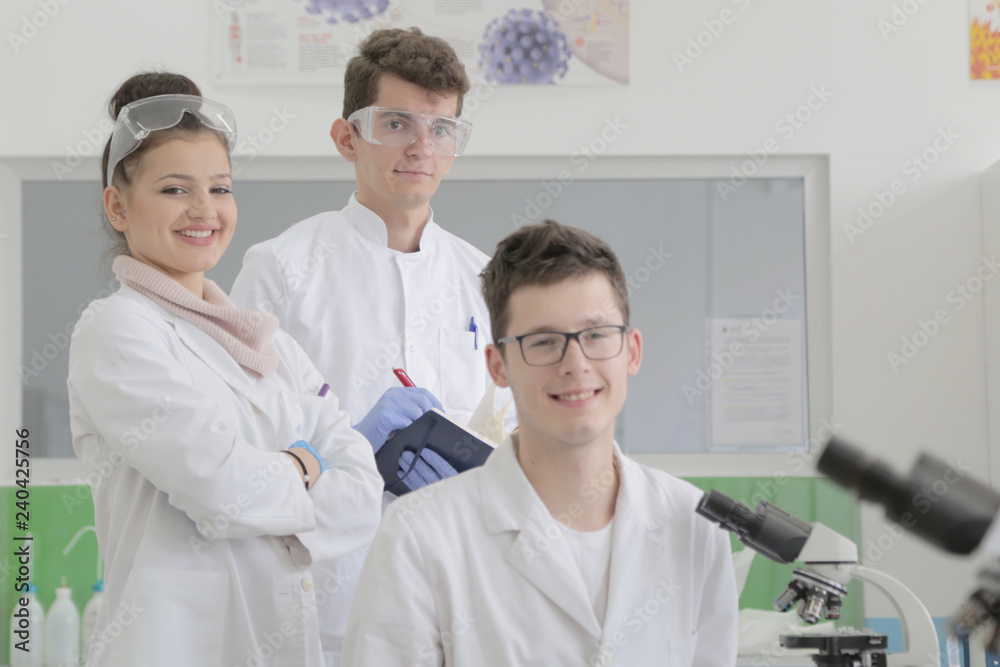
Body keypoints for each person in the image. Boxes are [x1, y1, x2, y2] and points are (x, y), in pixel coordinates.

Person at [67, 72, 383, 666]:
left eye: (220, 187)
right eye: (173, 190)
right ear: (117, 206)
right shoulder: (118, 331)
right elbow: (222, 490)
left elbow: (363, 494)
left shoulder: (267, 343)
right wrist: (303, 463)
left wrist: (270, 487)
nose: (203, 210)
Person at [229, 28, 512, 661]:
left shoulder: (485, 280)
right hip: (329, 601)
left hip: (461, 598)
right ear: (345, 137)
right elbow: (237, 448)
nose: (421, 146)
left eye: (442, 129)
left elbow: (518, 428)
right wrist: (348, 445)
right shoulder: (280, 270)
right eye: (396, 123)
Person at [342, 220, 739, 666]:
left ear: (632, 351)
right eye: (543, 342)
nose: (575, 363)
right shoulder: (419, 536)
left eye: (595, 335)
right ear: (498, 366)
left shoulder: (695, 526)